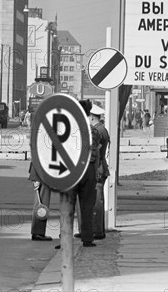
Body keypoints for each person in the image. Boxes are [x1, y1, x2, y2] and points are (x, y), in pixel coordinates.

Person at [68, 99, 101, 248]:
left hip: (71, 170)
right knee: (87, 206)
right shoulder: (93, 130)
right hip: (88, 169)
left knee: (67, 206)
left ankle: (65, 238)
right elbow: (97, 153)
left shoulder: (68, 129)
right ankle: (87, 238)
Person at [91, 104, 110, 240]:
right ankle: (98, 230)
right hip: (101, 166)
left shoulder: (98, 130)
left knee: (97, 201)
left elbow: (96, 151)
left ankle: (97, 231)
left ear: (92, 117)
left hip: (98, 168)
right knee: (97, 200)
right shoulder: (102, 129)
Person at [28, 162, 53, 241]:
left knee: (41, 201)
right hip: (42, 172)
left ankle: (38, 231)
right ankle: (38, 232)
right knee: (41, 203)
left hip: (42, 171)